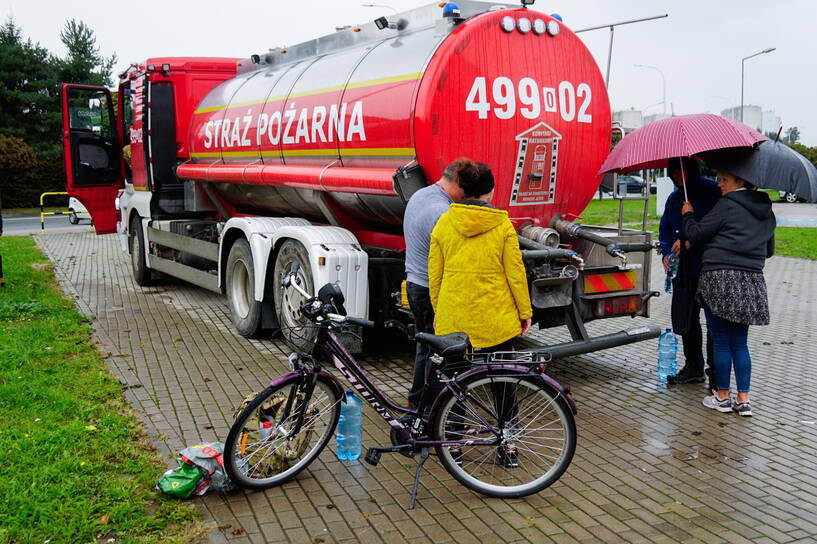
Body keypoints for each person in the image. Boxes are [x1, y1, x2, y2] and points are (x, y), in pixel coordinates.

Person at [428, 162, 533, 466]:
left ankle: (454, 444)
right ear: (491, 191)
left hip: (455, 320)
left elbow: (436, 275)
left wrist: (439, 309)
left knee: (455, 385)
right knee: (504, 384)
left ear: (461, 189)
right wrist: (524, 312)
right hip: (496, 320)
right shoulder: (502, 226)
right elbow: (515, 273)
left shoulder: (445, 223)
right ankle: (509, 447)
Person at [681, 171, 775, 417]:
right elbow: (770, 250)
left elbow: (698, 234)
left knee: (722, 341)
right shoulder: (766, 209)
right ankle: (743, 400)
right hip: (752, 280)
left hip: (719, 277)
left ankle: (722, 396)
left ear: (740, 181)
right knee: (740, 343)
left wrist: (688, 215)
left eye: (724, 179)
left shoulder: (728, 204)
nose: (719, 184)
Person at [403, 158, 468, 409]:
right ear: (458, 184)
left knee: (425, 348)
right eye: (466, 191)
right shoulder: (443, 212)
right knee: (439, 351)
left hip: (414, 283)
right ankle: (431, 409)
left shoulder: (421, 195)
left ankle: (417, 400)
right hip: (430, 290)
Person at [659, 157, 720, 388]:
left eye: (683, 169)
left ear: (692, 169)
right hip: (683, 271)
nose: (678, 174)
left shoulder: (712, 191)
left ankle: (717, 372)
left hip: (708, 267)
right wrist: (667, 252)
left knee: (714, 322)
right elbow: (665, 230)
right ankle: (693, 367)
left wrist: (689, 242)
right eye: (674, 170)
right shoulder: (674, 198)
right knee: (687, 319)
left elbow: (715, 228)